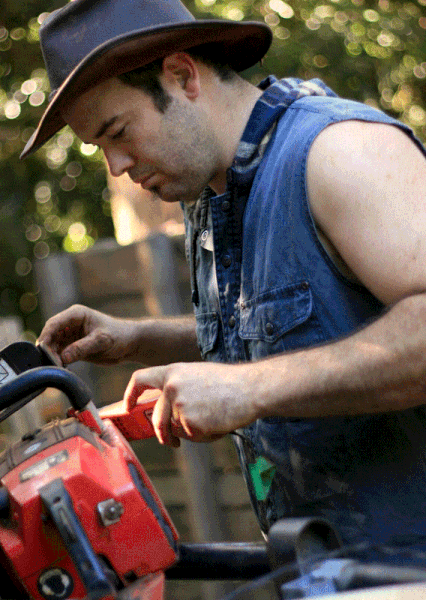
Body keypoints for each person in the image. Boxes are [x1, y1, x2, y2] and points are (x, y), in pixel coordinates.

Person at [24, 0, 426, 548]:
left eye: (117, 132)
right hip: (322, 569)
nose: (115, 166)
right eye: (101, 148)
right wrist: (140, 337)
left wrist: (251, 388)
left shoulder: (342, 151)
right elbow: (301, 328)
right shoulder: (214, 196)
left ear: (182, 76)